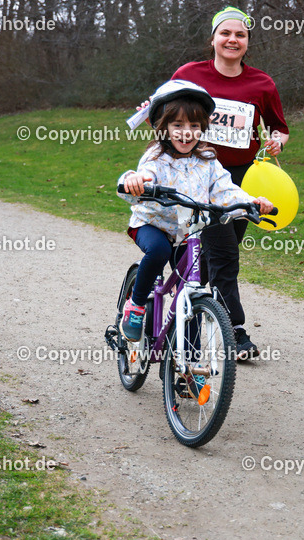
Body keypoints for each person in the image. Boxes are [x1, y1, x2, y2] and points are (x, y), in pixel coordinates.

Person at [169, 6, 290, 358]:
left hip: (240, 178)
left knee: (210, 255)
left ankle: (176, 303)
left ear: (247, 42)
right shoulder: (189, 74)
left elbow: (280, 127)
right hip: (196, 174)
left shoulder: (261, 84)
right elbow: (161, 113)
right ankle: (234, 330)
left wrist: (278, 141)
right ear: (213, 39)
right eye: (226, 33)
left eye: (240, 35)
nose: (232, 40)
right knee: (223, 253)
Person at [117, 79, 273, 343]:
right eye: (177, 125)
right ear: (162, 127)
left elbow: (225, 189)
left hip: (186, 231)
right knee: (159, 251)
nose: (186, 133)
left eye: (194, 126)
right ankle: (137, 305)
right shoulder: (156, 158)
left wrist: (250, 202)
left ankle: (190, 365)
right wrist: (135, 181)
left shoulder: (208, 160)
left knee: (191, 288)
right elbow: (144, 175)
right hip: (152, 225)